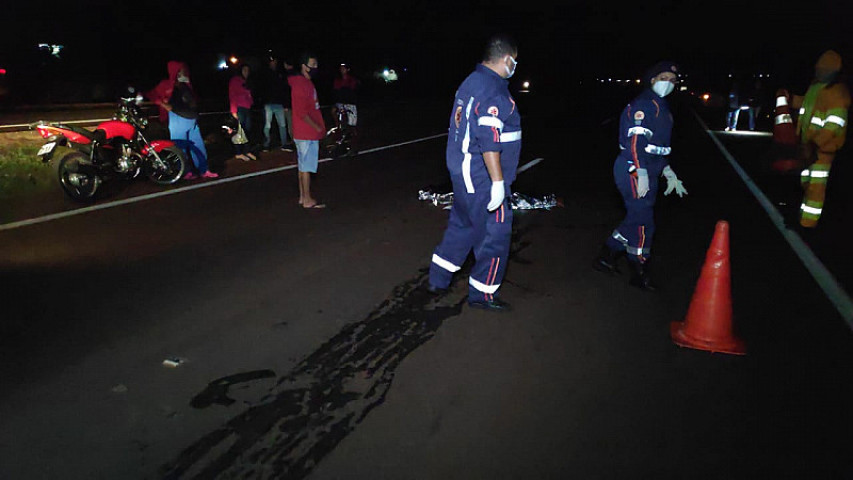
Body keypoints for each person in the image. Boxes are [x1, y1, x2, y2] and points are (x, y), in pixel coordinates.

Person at [427, 34, 522, 312]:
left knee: (462, 226)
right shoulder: (495, 89)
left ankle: (438, 278)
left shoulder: (471, 81)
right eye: (515, 61)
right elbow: (489, 137)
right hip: (481, 176)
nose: (515, 66)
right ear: (506, 59)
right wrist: (497, 183)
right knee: (495, 233)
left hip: (462, 171)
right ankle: (483, 293)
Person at [593, 61, 687, 290]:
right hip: (633, 169)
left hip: (650, 171)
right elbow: (635, 143)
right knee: (644, 223)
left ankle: (607, 255)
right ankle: (639, 268)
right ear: (653, 79)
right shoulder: (645, 105)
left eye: (673, 80)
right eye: (664, 78)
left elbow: (659, 148)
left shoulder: (663, 109)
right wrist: (641, 171)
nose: (669, 83)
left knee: (637, 217)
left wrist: (668, 171)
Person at [786, 50, 850, 228]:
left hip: (822, 149)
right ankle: (804, 216)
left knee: (816, 186)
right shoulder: (817, 87)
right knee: (806, 181)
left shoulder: (837, 94)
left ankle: (808, 223)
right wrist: (790, 99)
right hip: (808, 145)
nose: (818, 72)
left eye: (822, 70)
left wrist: (816, 143)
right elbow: (806, 103)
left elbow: (834, 124)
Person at [156, 61, 218, 180]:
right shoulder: (169, 86)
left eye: (184, 69)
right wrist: (165, 106)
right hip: (178, 120)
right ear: (175, 72)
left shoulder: (185, 85)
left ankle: (204, 170)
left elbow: (192, 102)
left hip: (191, 120)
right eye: (181, 70)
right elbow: (160, 99)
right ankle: (185, 172)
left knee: (198, 146)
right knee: (180, 148)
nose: (184, 71)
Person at [288, 52, 326, 208]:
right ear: (304, 66)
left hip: (305, 132)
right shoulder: (300, 84)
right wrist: (316, 126)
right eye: (313, 64)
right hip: (306, 132)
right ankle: (307, 198)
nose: (315, 67)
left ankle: (303, 197)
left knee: (303, 166)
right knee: (306, 167)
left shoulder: (305, 83)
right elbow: (302, 112)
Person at [259, 56, 294, 152]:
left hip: (279, 103)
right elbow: (262, 88)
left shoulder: (280, 73)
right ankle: (266, 144)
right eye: (271, 61)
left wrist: (285, 103)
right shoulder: (265, 73)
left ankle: (284, 144)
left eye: (274, 61)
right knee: (267, 125)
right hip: (268, 103)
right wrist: (263, 101)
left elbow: (284, 89)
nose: (273, 62)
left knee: (282, 124)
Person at [229, 63, 257, 161]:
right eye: (244, 70)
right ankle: (239, 152)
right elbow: (232, 95)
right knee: (240, 131)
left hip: (247, 107)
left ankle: (247, 150)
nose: (246, 72)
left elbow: (250, 94)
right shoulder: (235, 80)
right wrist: (233, 110)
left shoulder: (247, 81)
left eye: (247, 70)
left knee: (248, 130)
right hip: (239, 108)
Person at [332, 63, 360, 152]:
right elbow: (336, 92)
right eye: (341, 68)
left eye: (343, 68)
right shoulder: (338, 80)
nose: (342, 70)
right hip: (341, 103)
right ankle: (338, 128)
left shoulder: (352, 79)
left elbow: (352, 90)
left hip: (350, 104)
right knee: (334, 112)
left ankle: (354, 146)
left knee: (352, 126)